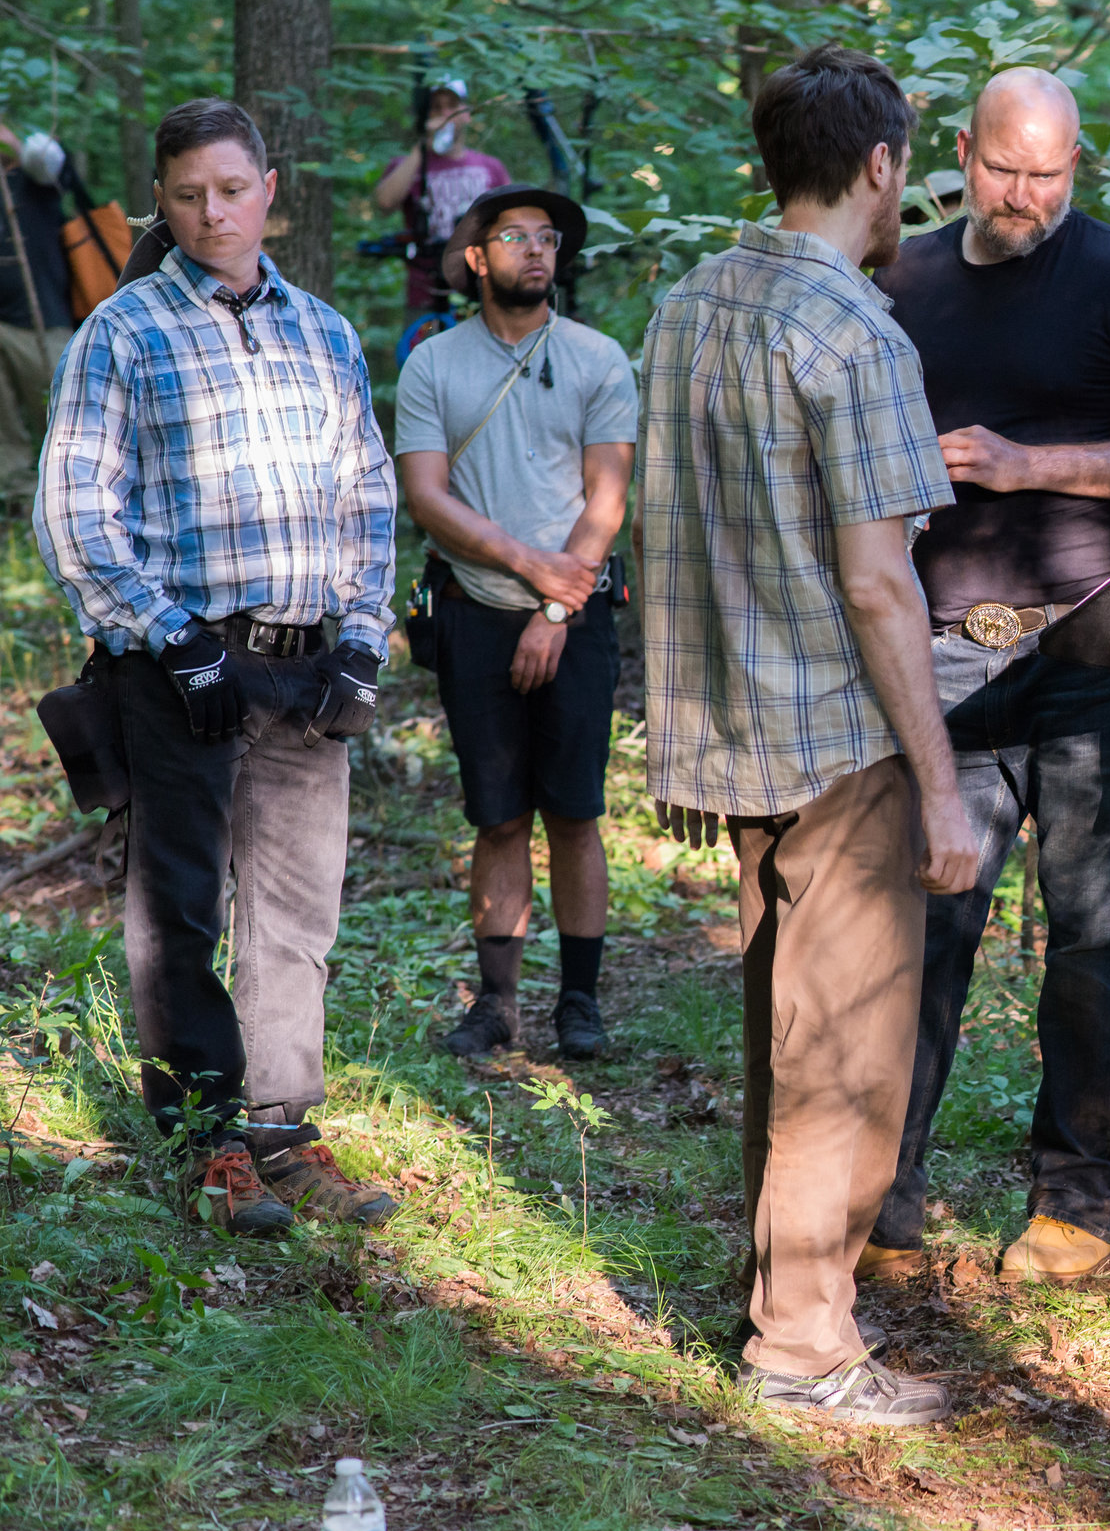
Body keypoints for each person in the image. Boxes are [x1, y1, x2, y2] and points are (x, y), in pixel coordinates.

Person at [637, 44, 980, 1425]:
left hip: (727, 722)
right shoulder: (856, 333)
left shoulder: (683, 306)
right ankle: (802, 1346)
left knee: (788, 1027)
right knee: (845, 1048)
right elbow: (877, 580)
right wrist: (942, 790)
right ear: (884, 166)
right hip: (838, 735)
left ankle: (788, 1297)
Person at [863, 68, 1110, 1283]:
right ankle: (882, 1194)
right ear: (960, 151)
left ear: (1080, 162)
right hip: (940, 654)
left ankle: (1076, 1200)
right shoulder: (898, 277)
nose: (1023, 195)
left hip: (1093, 646)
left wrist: (1024, 466)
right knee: (924, 923)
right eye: (1004, 170)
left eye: (1048, 174)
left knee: (1094, 935)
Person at [34, 98, 400, 1236]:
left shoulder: (323, 331)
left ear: (268, 190)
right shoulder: (124, 330)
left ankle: (283, 1130)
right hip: (182, 664)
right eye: (187, 195)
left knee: (296, 909)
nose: (211, 213)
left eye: (230, 191)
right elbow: (74, 510)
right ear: (164, 199)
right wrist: (167, 633)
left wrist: (362, 636)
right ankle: (207, 1137)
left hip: (306, 664)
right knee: (180, 904)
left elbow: (367, 494)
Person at [396, 184, 635, 1063]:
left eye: (547, 239)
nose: (536, 251)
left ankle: (580, 1002)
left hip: (574, 622)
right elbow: (427, 495)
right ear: (477, 258)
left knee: (573, 813)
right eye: (515, 237)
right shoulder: (433, 364)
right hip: (473, 615)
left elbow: (608, 497)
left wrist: (555, 605)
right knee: (497, 818)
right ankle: (498, 1003)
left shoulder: (599, 359)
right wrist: (529, 570)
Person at [375, 79, 511, 320]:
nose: (444, 113)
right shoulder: (407, 165)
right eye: (436, 107)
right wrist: (422, 147)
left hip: (483, 291)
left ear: (466, 113)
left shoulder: (491, 167)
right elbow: (385, 202)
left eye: (452, 106)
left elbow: (512, 223)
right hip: (425, 295)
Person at [0, 118, 73, 502]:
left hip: (43, 324)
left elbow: (47, 156)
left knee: (62, 421)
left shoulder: (36, 178)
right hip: (3, 329)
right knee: (5, 431)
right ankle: (18, 506)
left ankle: (67, 502)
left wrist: (11, 141)